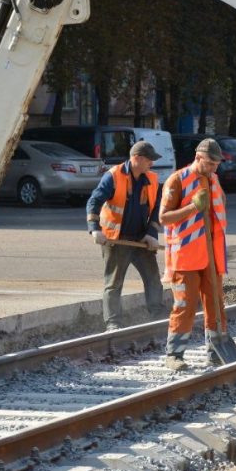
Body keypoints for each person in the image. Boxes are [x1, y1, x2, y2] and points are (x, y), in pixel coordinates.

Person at [158, 138, 228, 371]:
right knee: (185, 304)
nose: (213, 169)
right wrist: (192, 207)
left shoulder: (214, 180)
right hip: (186, 255)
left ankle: (216, 350)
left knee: (215, 304)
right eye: (209, 164)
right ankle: (174, 354)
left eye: (216, 165)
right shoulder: (177, 180)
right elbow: (164, 217)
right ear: (198, 158)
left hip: (211, 255)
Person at [85, 140, 166, 332]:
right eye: (149, 160)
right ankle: (113, 323)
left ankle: (158, 315)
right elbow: (94, 202)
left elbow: (155, 209)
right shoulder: (113, 176)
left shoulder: (151, 179)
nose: (151, 164)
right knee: (114, 283)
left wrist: (151, 234)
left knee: (153, 278)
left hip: (140, 240)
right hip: (116, 239)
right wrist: (94, 228)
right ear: (137, 159)